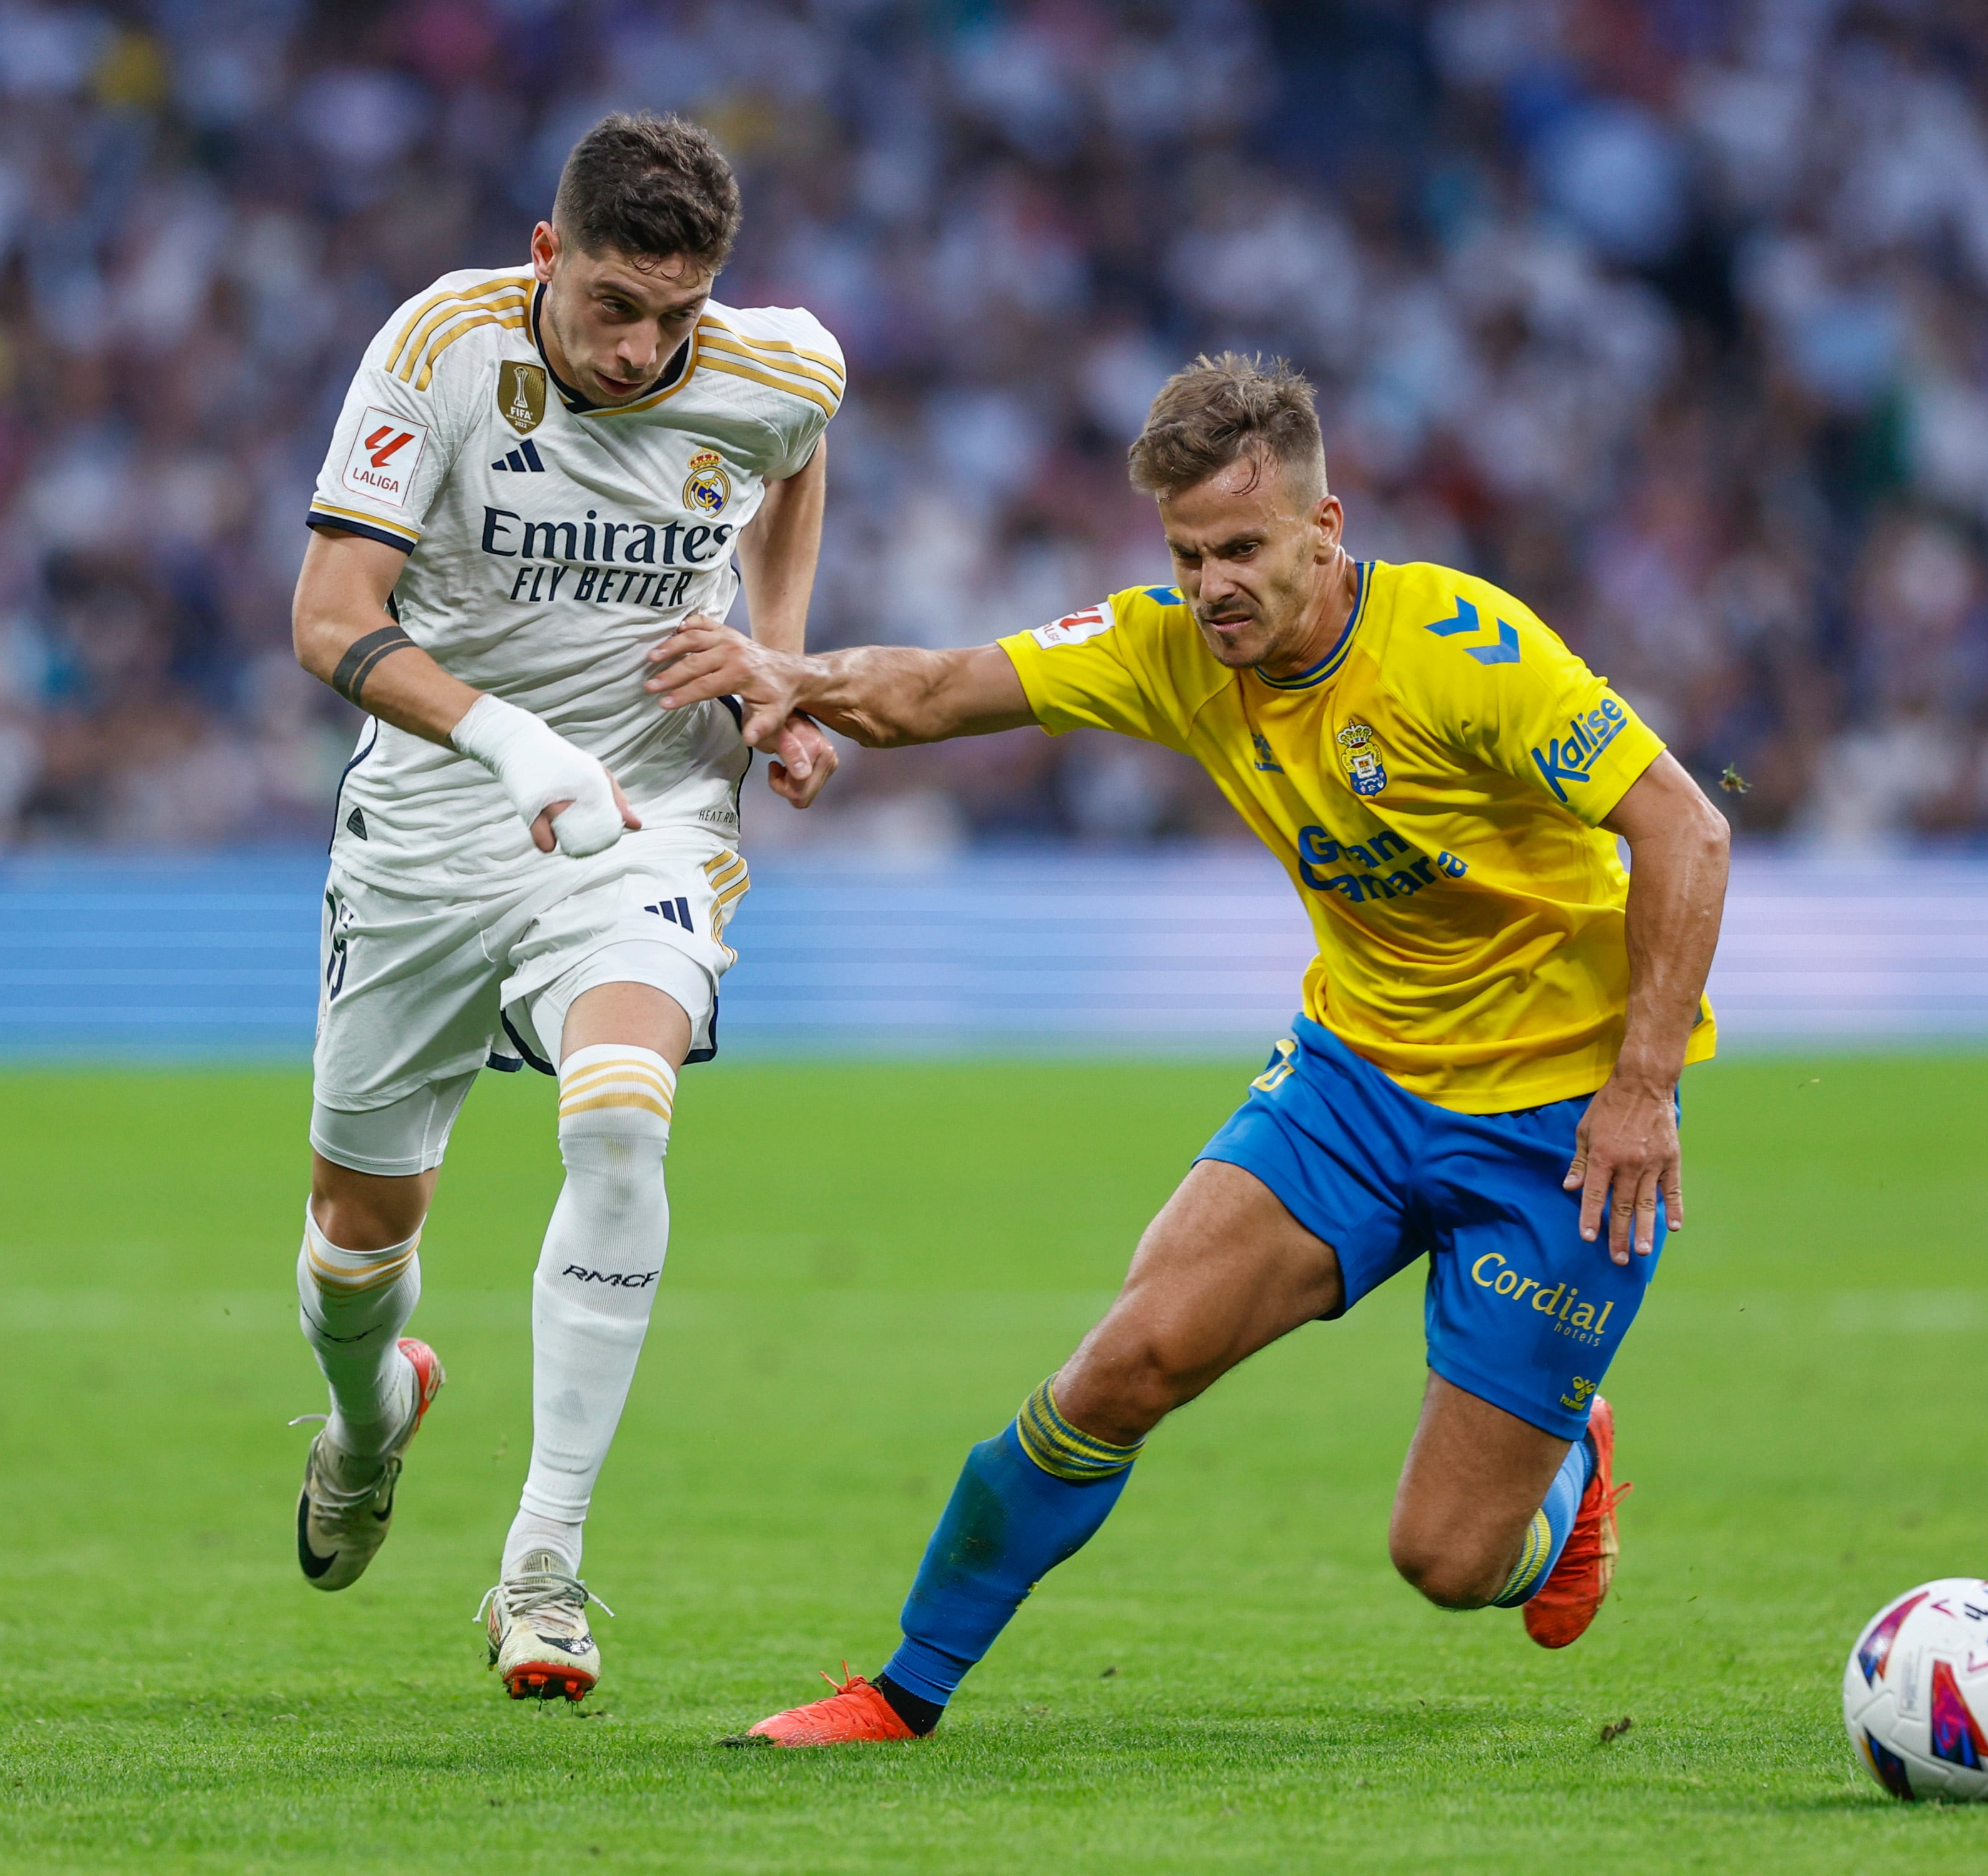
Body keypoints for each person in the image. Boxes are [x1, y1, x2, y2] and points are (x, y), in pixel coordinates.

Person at [643, 354, 1731, 1745]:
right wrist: (782, 676)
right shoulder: (1167, 646)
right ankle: (900, 1690)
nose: (1212, 583)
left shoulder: (1462, 648)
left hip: (1556, 1121)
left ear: (1323, 532)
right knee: (1127, 1358)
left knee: (1450, 1560)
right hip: (1358, 1082)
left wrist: (1640, 1088)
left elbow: (1683, 829)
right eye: (1187, 551)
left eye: (1242, 550)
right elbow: (931, 690)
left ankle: (1563, 1471)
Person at [283, 111, 842, 1702]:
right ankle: (370, 1413)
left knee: (620, 1118)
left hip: (643, 817)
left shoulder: (780, 369)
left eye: (678, 313)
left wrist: (776, 671)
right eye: (613, 303)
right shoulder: (442, 344)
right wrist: (510, 739)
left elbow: (791, 471)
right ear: (547, 254)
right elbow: (329, 614)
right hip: (431, 826)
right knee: (350, 1244)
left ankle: (542, 1563)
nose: (643, 345)